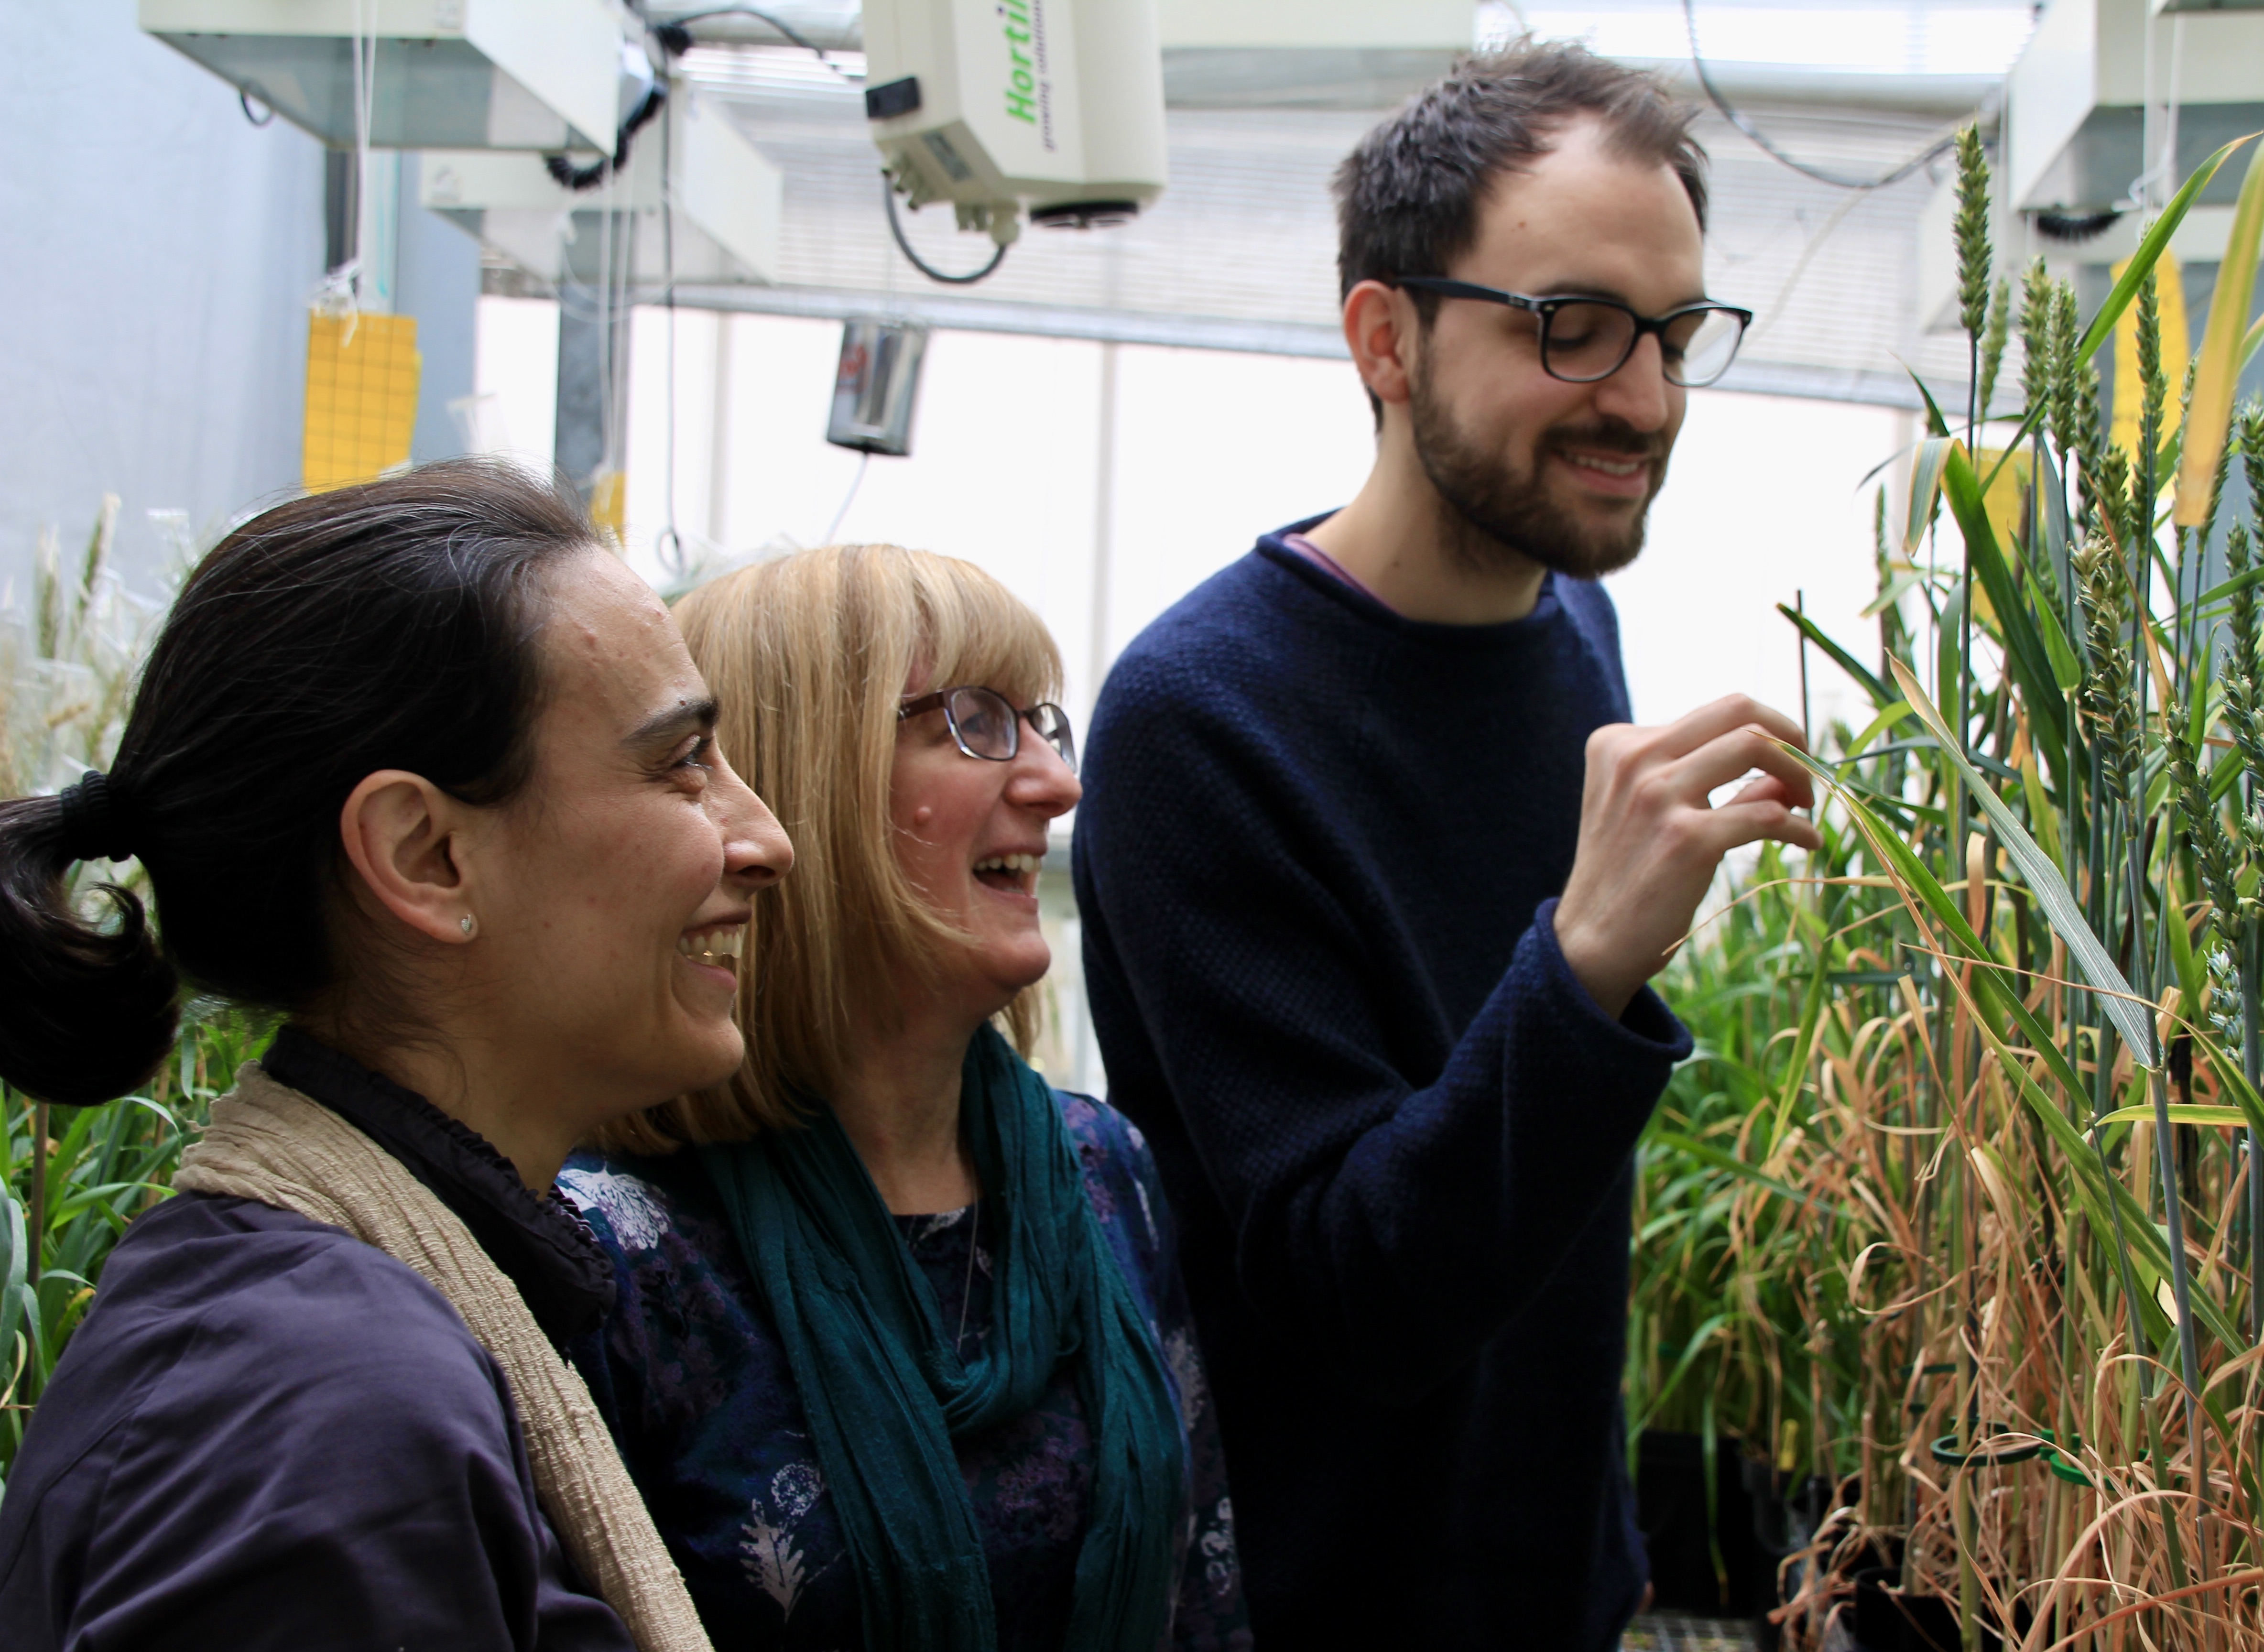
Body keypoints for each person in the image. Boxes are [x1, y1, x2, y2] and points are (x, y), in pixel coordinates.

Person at [1070, 42, 1822, 1652]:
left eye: (1677, 334)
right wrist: (1586, 957)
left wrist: (1604, 1552)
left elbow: (1532, 1226)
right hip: (1321, 1605)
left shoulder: (1576, 624)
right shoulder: (1200, 718)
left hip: (1566, 1583)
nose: (1644, 397)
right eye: (1573, 328)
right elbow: (1349, 1290)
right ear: (1384, 335)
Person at [0, 459, 794, 1652]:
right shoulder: (320, 1410)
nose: (767, 839)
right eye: (681, 761)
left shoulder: (336, 1335)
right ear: (424, 855)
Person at [559, 543, 1249, 1652]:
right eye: (975, 723)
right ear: (802, 776)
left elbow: (1203, 1595)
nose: (1057, 785)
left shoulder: (1100, 1166)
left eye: (1043, 724)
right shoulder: (608, 1246)